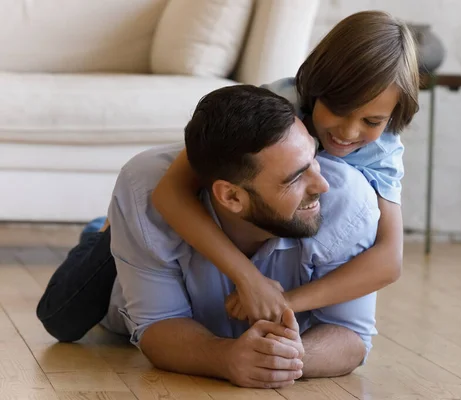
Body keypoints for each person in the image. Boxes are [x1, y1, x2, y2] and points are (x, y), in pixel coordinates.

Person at [37, 85, 381, 388]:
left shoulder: (347, 200)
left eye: (314, 158)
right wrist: (226, 358)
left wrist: (285, 358)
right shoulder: (144, 190)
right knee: (61, 320)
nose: (322, 185)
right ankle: (105, 231)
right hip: (116, 277)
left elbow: (351, 336)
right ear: (231, 197)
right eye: (294, 179)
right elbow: (158, 326)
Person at [149, 10, 420, 324]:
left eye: (372, 121)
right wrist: (247, 278)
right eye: (338, 109)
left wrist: (282, 302)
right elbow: (170, 191)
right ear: (317, 88)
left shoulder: (383, 148)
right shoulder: (275, 105)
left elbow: (389, 260)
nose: (348, 132)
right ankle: (101, 231)